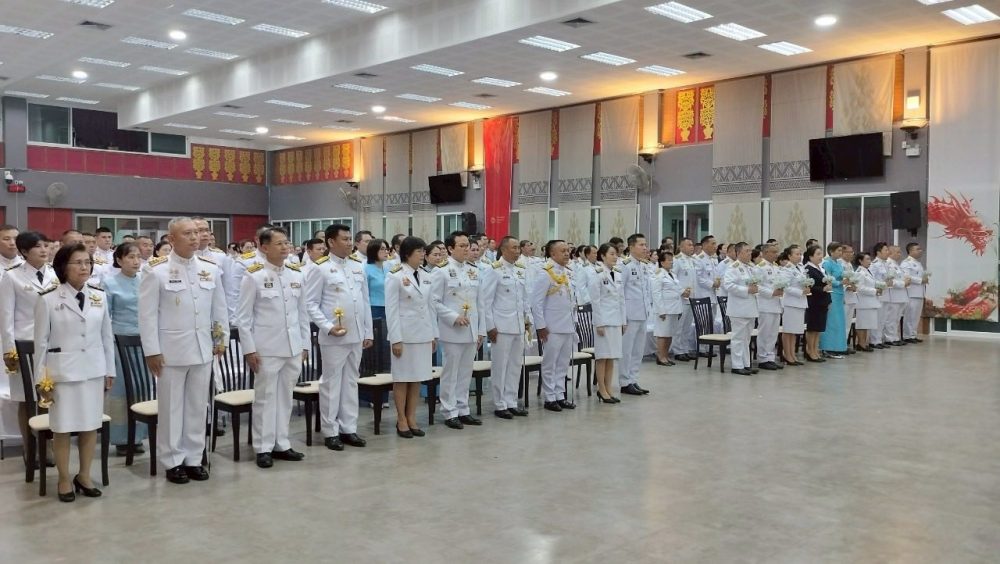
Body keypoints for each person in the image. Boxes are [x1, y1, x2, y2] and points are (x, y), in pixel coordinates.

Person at [139, 217, 229, 484]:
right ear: (171, 239)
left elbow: (219, 308)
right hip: (170, 351)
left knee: (198, 407)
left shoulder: (210, 269)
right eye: (187, 233)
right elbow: (146, 316)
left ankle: (194, 458)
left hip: (203, 348)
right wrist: (152, 351)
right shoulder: (156, 270)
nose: (194, 237)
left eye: (197, 233)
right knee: (171, 408)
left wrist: (220, 339)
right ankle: (173, 461)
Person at [34, 243, 115, 502]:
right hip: (62, 375)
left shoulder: (99, 296)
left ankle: (84, 475)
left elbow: (106, 336)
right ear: (63, 267)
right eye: (77, 262)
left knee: (91, 425)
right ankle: (64, 479)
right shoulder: (48, 299)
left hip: (93, 370)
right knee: (62, 428)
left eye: (87, 262)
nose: (84, 267)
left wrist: (109, 370)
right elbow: (41, 344)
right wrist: (41, 380)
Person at [236, 227, 309, 469]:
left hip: (292, 346)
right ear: (264, 247)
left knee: (285, 397)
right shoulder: (254, 276)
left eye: (287, 242)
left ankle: (282, 443)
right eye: (279, 243)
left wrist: (305, 344)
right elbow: (243, 318)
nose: (285, 247)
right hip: (266, 348)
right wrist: (249, 349)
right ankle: (263, 447)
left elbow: (302, 313)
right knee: (265, 398)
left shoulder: (296, 274)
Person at [304, 224, 373, 451]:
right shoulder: (320, 268)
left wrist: (368, 331)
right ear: (331, 242)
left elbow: (364, 301)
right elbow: (310, 304)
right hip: (334, 336)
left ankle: (348, 428)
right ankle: (330, 431)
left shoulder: (357, 265)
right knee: (331, 383)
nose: (349, 242)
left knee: (351, 381)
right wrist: (327, 326)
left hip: (356, 334)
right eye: (344, 239)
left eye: (350, 238)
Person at [0, 231, 57, 468]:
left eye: (45, 245)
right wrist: (9, 352)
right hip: (24, 345)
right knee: (26, 399)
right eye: (37, 247)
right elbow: (6, 317)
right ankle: (29, 447)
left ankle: (48, 445)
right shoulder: (12, 277)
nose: (44, 250)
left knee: (49, 396)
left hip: (51, 344)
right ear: (24, 252)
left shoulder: (55, 274)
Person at [431, 231, 485, 429]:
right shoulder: (441, 271)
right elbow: (434, 301)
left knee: (465, 372)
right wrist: (453, 317)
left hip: (471, 330)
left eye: (467, 245)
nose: (466, 249)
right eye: (461, 246)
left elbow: (480, 303)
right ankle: (449, 411)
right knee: (451, 372)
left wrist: (481, 330)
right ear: (450, 248)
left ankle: (463, 409)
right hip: (452, 330)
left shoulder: (473, 270)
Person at [385, 236, 436, 436]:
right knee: (402, 378)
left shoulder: (425, 275)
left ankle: (412, 417)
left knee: (417, 378)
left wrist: (433, 334)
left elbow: (430, 307)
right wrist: (396, 339)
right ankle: (401, 419)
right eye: (419, 252)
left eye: (423, 251)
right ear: (407, 254)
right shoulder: (395, 275)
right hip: (404, 335)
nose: (423, 255)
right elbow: (391, 310)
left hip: (422, 333)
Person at [102, 242, 148, 456]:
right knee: (121, 392)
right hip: (120, 343)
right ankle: (121, 438)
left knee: (142, 388)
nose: (136, 261)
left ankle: (139, 436)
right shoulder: (109, 283)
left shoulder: (145, 280)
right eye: (130, 257)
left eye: (138, 256)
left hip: (144, 342)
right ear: (119, 260)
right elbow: (106, 317)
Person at [481, 236, 531, 419]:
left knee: (515, 366)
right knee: (500, 367)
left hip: (518, 325)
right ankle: (500, 403)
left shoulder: (520, 270)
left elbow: (524, 298)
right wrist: (490, 327)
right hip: (501, 326)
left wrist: (527, 321)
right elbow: (486, 301)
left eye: (518, 248)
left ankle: (511, 401)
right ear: (503, 249)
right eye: (514, 248)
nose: (517, 251)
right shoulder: (494, 270)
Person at [529, 240, 577, 412]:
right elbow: (536, 303)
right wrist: (541, 326)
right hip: (552, 327)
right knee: (550, 363)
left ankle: (560, 395)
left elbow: (571, 300)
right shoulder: (545, 273)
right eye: (563, 251)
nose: (567, 253)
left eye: (568, 250)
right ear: (552, 253)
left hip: (567, 325)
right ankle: (550, 397)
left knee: (563, 364)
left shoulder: (567, 272)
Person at [588, 243, 625, 403]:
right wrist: (599, 323)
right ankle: (601, 389)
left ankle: (609, 388)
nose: (615, 257)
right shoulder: (597, 274)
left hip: (616, 320)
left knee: (612, 357)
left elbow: (621, 300)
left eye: (616, 254)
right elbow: (595, 302)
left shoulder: (617, 273)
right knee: (602, 357)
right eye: (611, 254)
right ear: (602, 256)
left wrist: (623, 321)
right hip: (603, 321)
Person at [618, 234, 651, 396]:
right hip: (630, 315)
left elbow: (646, 290)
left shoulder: (644, 265)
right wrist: (622, 318)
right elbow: (620, 293)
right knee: (627, 350)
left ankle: (633, 379)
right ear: (631, 247)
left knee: (638, 351)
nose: (645, 248)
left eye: (645, 245)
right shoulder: (624, 265)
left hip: (642, 313)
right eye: (641, 245)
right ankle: (624, 382)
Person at [723, 242, 759, 376]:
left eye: (750, 251)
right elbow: (728, 285)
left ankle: (746, 364)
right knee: (738, 338)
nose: (750, 253)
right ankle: (737, 365)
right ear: (738, 253)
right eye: (747, 251)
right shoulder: (733, 267)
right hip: (738, 308)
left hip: (750, 307)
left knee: (746, 339)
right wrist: (746, 290)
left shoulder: (751, 267)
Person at [652, 249, 685, 366]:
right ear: (662, 262)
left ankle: (665, 356)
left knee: (670, 334)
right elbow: (656, 293)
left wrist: (684, 292)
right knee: (663, 334)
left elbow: (676, 289)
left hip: (674, 308)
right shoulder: (658, 274)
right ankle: (660, 357)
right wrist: (661, 310)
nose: (671, 262)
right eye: (669, 260)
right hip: (665, 309)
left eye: (672, 260)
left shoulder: (672, 274)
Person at [754, 243, 784, 371]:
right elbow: (757, 286)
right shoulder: (759, 268)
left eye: (777, 252)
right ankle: (762, 358)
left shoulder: (776, 267)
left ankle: (770, 357)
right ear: (765, 253)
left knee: (773, 333)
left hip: (776, 303)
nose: (776, 254)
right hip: (765, 304)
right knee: (765, 333)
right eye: (773, 252)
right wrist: (771, 292)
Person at [669, 238, 698, 362]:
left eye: (692, 245)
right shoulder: (677, 260)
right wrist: (681, 291)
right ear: (681, 247)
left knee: (687, 326)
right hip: (681, 298)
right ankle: (677, 351)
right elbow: (672, 277)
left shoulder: (692, 260)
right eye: (689, 245)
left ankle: (685, 349)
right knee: (679, 327)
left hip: (691, 298)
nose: (692, 247)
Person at [779, 246, 808, 366]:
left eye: (800, 254)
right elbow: (785, 287)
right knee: (788, 330)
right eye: (796, 254)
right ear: (789, 256)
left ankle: (793, 355)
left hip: (800, 302)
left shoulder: (801, 268)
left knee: (795, 331)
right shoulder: (787, 269)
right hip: (791, 303)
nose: (799, 256)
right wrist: (800, 292)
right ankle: (787, 355)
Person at [803, 245, 832, 362]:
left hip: (822, 301)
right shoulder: (808, 269)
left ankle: (815, 350)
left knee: (818, 328)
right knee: (812, 328)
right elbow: (809, 286)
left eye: (821, 254)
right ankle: (810, 351)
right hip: (814, 302)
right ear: (811, 256)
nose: (821, 256)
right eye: (818, 254)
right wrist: (822, 289)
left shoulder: (820, 268)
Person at [819, 243, 847, 359]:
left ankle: (838, 347)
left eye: (841, 250)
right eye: (838, 250)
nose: (840, 253)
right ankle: (828, 348)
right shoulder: (827, 263)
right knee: (831, 321)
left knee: (839, 321)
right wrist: (840, 282)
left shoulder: (839, 263)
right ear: (831, 251)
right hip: (832, 293)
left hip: (839, 294)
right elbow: (827, 278)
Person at [853, 252, 881, 352]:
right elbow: (860, 288)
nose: (870, 261)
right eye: (867, 259)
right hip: (863, 302)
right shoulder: (860, 272)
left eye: (870, 259)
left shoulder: (868, 271)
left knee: (867, 324)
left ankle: (864, 343)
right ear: (860, 261)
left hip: (870, 301)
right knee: (862, 324)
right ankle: (861, 343)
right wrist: (874, 291)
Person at [900, 243, 927, 344]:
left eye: (920, 249)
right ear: (911, 251)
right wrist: (921, 280)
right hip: (911, 293)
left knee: (916, 316)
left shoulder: (918, 263)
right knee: (910, 315)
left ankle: (913, 334)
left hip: (919, 293)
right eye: (917, 249)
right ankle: (907, 335)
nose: (920, 251)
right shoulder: (906, 263)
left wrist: (924, 279)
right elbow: (906, 277)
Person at [884, 245, 909, 347]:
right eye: (897, 252)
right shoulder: (888, 264)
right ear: (891, 252)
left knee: (896, 318)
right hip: (893, 295)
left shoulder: (896, 264)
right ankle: (889, 338)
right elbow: (890, 281)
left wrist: (906, 281)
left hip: (900, 295)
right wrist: (903, 283)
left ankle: (895, 337)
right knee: (891, 318)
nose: (900, 254)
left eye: (900, 252)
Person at [869, 243, 892, 350]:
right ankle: (874, 341)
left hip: (886, 293)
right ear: (878, 252)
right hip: (878, 294)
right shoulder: (874, 264)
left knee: (883, 318)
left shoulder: (886, 264)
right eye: (885, 250)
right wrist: (882, 284)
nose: (888, 252)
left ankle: (879, 339)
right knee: (877, 318)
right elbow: (872, 280)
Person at [840, 245, 858, 352]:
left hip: (851, 296)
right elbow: (839, 279)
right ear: (843, 253)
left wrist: (855, 285)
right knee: (842, 323)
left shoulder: (850, 265)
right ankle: (840, 345)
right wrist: (847, 286)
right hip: (844, 297)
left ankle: (845, 344)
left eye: (852, 252)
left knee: (848, 323)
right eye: (849, 252)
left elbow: (854, 278)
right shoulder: (840, 264)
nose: (851, 254)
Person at [365, 238, 389, 320]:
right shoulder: (366, 269)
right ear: (374, 251)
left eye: (386, 249)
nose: (386, 252)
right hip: (374, 308)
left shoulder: (388, 268)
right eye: (382, 249)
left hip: (389, 306)